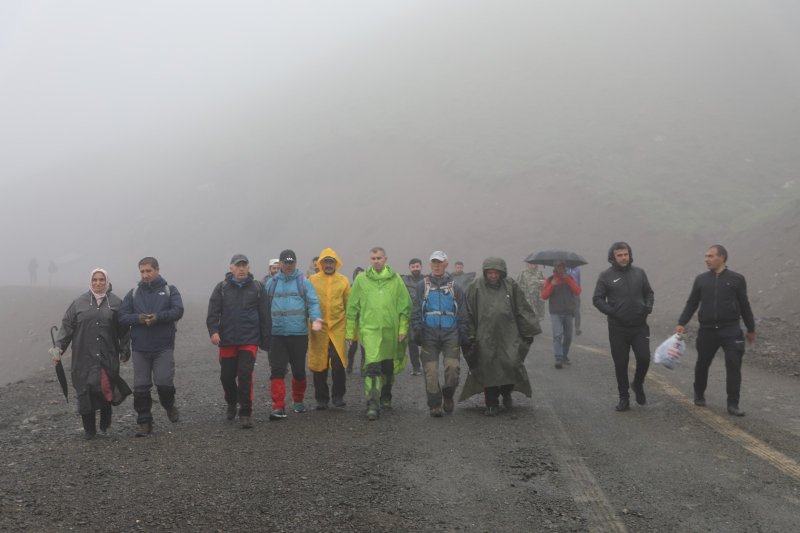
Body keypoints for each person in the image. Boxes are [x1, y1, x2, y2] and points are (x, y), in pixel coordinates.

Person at [50, 269, 131, 439]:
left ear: (107, 281)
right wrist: (58, 349)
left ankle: (104, 422)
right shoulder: (79, 303)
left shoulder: (116, 303)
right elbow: (67, 327)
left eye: (102, 279)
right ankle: (89, 431)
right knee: (84, 391)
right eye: (95, 279)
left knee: (104, 388)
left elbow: (124, 330)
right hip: (82, 357)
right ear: (90, 281)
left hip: (107, 356)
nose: (98, 283)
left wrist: (125, 349)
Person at [676, 244, 755, 416]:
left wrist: (751, 328)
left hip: (731, 330)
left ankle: (733, 404)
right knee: (702, 364)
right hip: (707, 331)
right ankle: (699, 393)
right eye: (706, 256)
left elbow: (744, 304)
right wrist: (682, 322)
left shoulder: (737, 279)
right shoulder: (701, 279)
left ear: (722, 257)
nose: (707, 259)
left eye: (711, 256)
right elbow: (692, 303)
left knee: (734, 365)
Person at [459, 257, 539, 416]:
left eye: (496, 272)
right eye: (490, 272)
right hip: (485, 335)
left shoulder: (510, 285)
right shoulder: (475, 286)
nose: (493, 275)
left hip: (508, 333)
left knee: (512, 363)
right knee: (487, 367)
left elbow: (522, 307)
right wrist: (470, 334)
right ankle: (491, 403)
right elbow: (467, 311)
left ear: (502, 272)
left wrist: (528, 330)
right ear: (485, 272)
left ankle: (506, 391)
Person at [119, 257, 185, 436]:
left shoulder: (169, 290)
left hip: (163, 346)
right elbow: (122, 316)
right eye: (142, 271)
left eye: (149, 271)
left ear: (157, 270)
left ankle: (169, 405)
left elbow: (178, 310)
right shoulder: (133, 293)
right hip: (140, 347)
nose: (145, 275)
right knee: (140, 386)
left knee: (164, 383)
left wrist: (158, 317)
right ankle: (144, 422)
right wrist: (138, 319)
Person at [346, 247, 411, 421]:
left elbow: (405, 307)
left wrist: (403, 329)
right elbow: (352, 307)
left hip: (390, 331)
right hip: (370, 331)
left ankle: (386, 396)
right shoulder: (361, 280)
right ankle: (372, 403)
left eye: (379, 258)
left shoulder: (396, 280)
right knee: (372, 367)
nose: (376, 261)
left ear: (385, 259)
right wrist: (350, 332)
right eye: (373, 258)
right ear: (370, 259)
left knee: (388, 367)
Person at [206, 254, 270, 429]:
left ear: (249, 267)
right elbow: (213, 313)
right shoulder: (222, 288)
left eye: (244, 265)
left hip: (249, 339)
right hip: (227, 339)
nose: (241, 268)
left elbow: (265, 314)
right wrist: (213, 331)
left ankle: (246, 412)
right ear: (231, 268)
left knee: (245, 375)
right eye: (238, 265)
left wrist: (265, 340)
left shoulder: (257, 288)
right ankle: (231, 402)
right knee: (226, 377)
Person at [592, 243, 654, 412]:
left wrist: (648, 307)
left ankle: (638, 384)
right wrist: (611, 312)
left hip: (639, 326)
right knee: (621, 363)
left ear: (630, 254)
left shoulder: (639, 273)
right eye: (619, 255)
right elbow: (597, 299)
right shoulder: (606, 276)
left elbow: (649, 293)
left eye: (626, 254)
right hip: (618, 328)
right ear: (613, 257)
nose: (623, 257)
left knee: (644, 358)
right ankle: (623, 397)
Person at [265, 249, 322, 419]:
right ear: (280, 264)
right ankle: (278, 406)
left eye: (291, 263)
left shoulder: (303, 282)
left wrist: (316, 318)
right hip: (277, 334)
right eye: (285, 263)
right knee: (277, 370)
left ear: (295, 263)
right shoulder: (271, 283)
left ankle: (298, 400)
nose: (288, 266)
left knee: (298, 370)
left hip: (298, 334)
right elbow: (264, 305)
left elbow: (313, 301)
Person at [411, 251, 469, 417]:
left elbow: (463, 311)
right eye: (434, 263)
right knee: (431, 371)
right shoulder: (423, 285)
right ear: (430, 265)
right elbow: (416, 309)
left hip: (451, 333)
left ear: (446, 264)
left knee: (453, 368)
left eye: (440, 263)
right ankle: (435, 404)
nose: (436, 266)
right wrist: (417, 328)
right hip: (429, 333)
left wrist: (464, 331)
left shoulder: (455, 287)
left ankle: (448, 394)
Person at [308, 248, 350, 410]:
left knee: (339, 364)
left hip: (338, 328)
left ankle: (338, 396)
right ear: (320, 263)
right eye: (326, 262)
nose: (328, 265)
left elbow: (349, 306)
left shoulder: (343, 281)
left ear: (336, 263)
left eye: (331, 262)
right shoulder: (312, 280)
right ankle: (321, 398)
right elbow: (307, 303)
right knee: (320, 364)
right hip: (319, 329)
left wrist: (351, 331)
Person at [541, 261, 581, 368]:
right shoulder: (550, 280)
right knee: (557, 335)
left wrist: (567, 279)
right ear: (555, 267)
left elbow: (577, 291)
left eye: (563, 266)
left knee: (568, 337)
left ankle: (564, 356)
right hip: (556, 312)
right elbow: (544, 296)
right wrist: (552, 285)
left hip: (568, 312)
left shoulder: (570, 278)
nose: (561, 268)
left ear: (565, 267)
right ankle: (558, 358)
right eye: (559, 266)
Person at [402, 258, 424, 375]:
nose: (415, 269)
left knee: (428, 341)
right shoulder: (404, 280)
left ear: (421, 267)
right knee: (412, 342)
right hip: (411, 315)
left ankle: (427, 363)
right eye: (413, 267)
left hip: (426, 315)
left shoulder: (428, 280)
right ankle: (416, 367)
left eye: (417, 266)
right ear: (410, 268)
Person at [346, 267, 366, 376]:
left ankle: (364, 368)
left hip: (364, 321)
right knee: (353, 347)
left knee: (364, 346)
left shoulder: (368, 289)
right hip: (354, 321)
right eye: (357, 275)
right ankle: (350, 364)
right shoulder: (350, 288)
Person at [516, 261, 545, 325]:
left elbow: (544, 283)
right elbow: (517, 284)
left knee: (537, 314)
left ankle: (535, 328)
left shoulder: (539, 272)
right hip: (527, 297)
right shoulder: (523, 273)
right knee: (530, 313)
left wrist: (542, 283)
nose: (532, 265)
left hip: (537, 298)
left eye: (534, 263)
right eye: (531, 264)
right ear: (527, 264)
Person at [567, 266, 582, 335]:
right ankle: (567, 327)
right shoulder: (564, 269)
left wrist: (578, 290)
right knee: (567, 310)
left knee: (576, 311)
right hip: (566, 292)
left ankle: (577, 328)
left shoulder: (577, 269)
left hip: (575, 292)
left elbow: (578, 280)